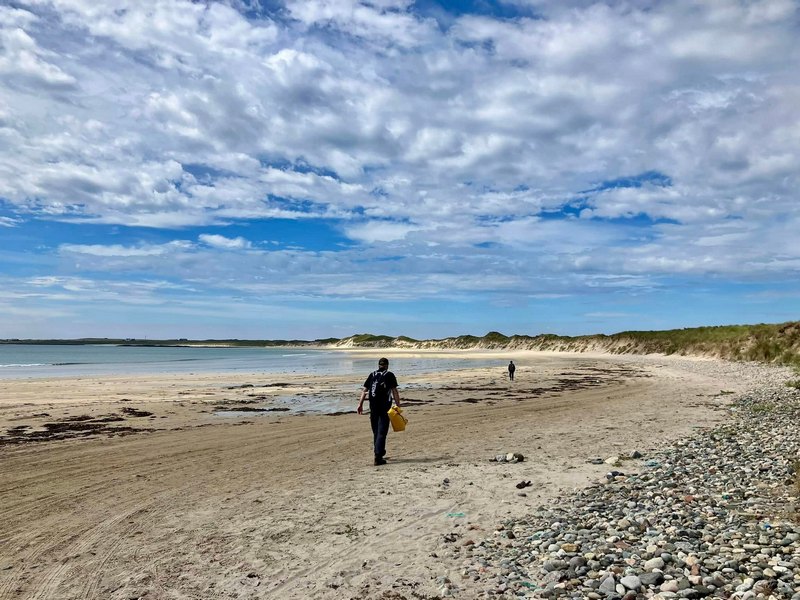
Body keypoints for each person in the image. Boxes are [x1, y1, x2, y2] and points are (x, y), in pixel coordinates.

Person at [357, 357, 401, 466]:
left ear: (379, 365)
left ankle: (379, 451)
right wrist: (398, 405)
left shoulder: (372, 374)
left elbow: (364, 390)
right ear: (387, 365)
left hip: (373, 407)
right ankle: (378, 456)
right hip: (385, 407)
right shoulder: (389, 375)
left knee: (376, 431)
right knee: (382, 431)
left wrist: (360, 404)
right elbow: (394, 391)